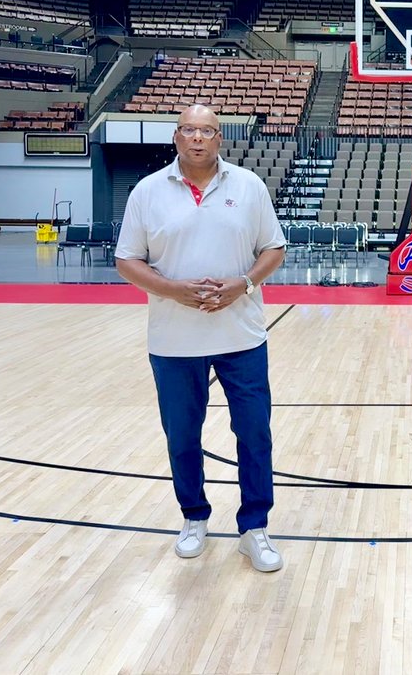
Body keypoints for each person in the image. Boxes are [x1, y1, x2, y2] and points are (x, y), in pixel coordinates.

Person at [114, 104, 287, 570]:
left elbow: (274, 247)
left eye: (206, 131)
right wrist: (172, 290)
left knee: (254, 433)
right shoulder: (147, 192)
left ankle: (254, 528)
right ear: (176, 137)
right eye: (189, 130)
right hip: (174, 340)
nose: (197, 138)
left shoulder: (249, 186)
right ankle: (194, 517)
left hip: (242, 336)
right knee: (182, 435)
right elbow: (127, 259)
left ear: (219, 138)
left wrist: (244, 283)